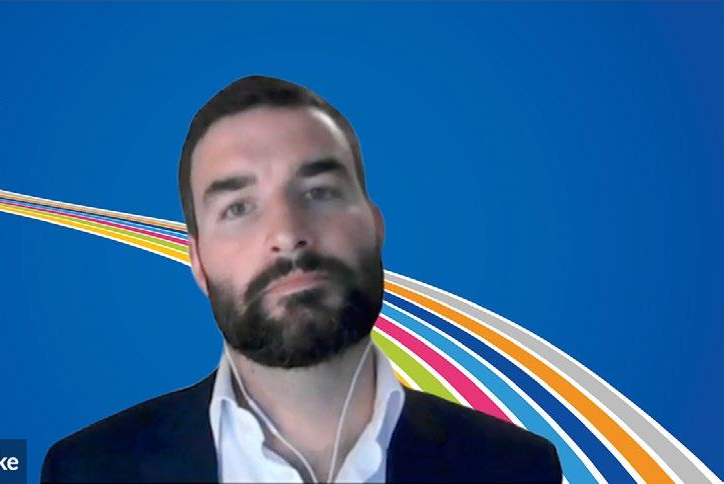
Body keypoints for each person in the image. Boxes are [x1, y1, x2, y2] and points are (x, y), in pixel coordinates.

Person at [41, 75, 563, 483]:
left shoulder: (517, 469)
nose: (287, 234)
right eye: (238, 207)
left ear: (375, 225)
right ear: (197, 261)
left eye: (318, 192)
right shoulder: (88, 471)